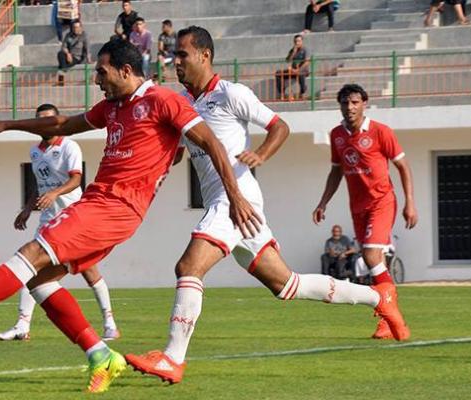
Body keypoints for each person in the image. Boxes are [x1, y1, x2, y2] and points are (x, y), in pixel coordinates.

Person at [0, 39, 250, 394]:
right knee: (39, 281)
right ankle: (100, 354)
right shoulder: (112, 107)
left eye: (102, 72)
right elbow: (60, 125)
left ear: (126, 71)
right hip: (99, 202)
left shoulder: (163, 100)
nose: (96, 79)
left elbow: (211, 143)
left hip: (116, 207)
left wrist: (234, 197)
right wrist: (4, 124)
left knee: (31, 254)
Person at [124, 26, 410, 385]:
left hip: (237, 200)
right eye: (175, 55)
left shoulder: (231, 94)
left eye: (182, 54)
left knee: (188, 266)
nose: (175, 61)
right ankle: (377, 297)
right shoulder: (183, 103)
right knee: (287, 285)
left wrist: (259, 154)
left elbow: (280, 126)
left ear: (204, 55)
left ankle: (172, 358)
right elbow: (183, 151)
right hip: (225, 202)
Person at [0, 103, 120, 342]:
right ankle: (22, 325)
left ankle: (110, 323)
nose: (45, 124)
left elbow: (76, 180)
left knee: (90, 272)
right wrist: (27, 209)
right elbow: (39, 186)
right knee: (31, 267)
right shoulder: (35, 151)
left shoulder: (70, 145)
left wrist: (55, 194)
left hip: (74, 217)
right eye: (40, 120)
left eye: (49, 119)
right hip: (48, 219)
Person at [313, 83, 418, 340]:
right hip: (357, 206)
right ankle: (386, 321)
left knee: (371, 256)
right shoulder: (337, 134)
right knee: (375, 264)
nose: (350, 107)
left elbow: (403, 166)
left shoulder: (381, 131)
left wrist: (410, 203)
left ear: (364, 104)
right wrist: (323, 202)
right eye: (345, 103)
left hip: (382, 202)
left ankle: (394, 318)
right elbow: (336, 170)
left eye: (355, 102)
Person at [274, 34, 309, 101]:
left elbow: (307, 62)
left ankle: (302, 92)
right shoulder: (293, 50)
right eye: (295, 41)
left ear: (302, 41)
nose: (297, 43)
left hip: (302, 70)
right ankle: (282, 93)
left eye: (298, 41)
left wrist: (298, 70)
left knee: (301, 74)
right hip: (292, 70)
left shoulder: (305, 50)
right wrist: (293, 52)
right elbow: (288, 60)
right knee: (278, 74)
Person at [56, 21, 91, 86]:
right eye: (74, 27)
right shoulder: (69, 35)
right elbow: (63, 47)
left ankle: (61, 77)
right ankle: (63, 70)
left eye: (77, 27)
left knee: (61, 65)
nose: (76, 29)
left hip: (77, 57)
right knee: (60, 54)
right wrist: (68, 54)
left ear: (81, 27)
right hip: (69, 56)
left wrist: (89, 59)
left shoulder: (84, 35)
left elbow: (87, 49)